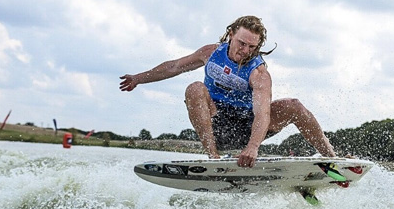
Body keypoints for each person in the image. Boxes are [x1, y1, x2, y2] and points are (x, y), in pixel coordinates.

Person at [119, 15, 336, 168]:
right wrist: (138, 78)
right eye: (242, 44)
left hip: (248, 127)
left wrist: (252, 148)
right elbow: (174, 66)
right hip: (215, 124)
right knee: (195, 88)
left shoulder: (258, 73)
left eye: (252, 47)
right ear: (231, 34)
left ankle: (332, 158)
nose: (245, 51)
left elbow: (262, 114)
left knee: (294, 105)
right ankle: (213, 157)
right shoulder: (210, 53)